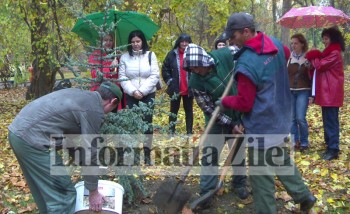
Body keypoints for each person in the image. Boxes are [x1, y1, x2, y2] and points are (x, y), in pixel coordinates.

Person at [218, 12, 316, 213]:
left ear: (246, 32)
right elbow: (287, 55)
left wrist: (224, 101)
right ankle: (304, 195)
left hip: (262, 126)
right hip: (281, 118)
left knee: (261, 178)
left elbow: (245, 103)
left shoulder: (246, 63)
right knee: (280, 159)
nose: (231, 40)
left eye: (233, 36)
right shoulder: (276, 43)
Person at [8, 82, 123, 213]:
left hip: (17, 133)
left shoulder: (80, 96)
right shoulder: (94, 110)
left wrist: (82, 163)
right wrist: (93, 191)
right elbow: (90, 150)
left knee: (44, 192)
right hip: (33, 141)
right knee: (63, 194)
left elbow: (69, 139)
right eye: (111, 110)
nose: (107, 114)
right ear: (112, 101)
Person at [183, 44, 249, 209]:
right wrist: (230, 123)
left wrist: (240, 120)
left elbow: (246, 55)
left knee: (238, 151)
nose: (196, 71)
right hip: (217, 119)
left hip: (240, 112)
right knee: (210, 155)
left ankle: (239, 183)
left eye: (197, 67)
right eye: (192, 69)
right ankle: (207, 191)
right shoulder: (195, 81)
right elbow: (209, 109)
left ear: (205, 61)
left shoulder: (227, 54)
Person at [118, 30, 160, 165]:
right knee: (132, 124)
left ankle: (147, 155)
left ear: (142, 41)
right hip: (131, 95)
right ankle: (133, 155)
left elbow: (155, 75)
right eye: (133, 42)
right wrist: (133, 91)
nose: (135, 44)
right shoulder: (124, 57)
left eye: (138, 41)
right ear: (130, 43)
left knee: (147, 124)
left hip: (148, 94)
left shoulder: (150, 55)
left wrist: (142, 91)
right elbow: (122, 77)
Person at [305, 27, 345, 161]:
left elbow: (321, 65)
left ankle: (333, 149)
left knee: (331, 121)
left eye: (326, 38)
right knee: (327, 119)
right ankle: (329, 145)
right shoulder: (328, 53)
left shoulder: (334, 53)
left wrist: (314, 55)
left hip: (331, 92)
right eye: (323, 38)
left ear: (332, 39)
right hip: (327, 92)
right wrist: (316, 56)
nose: (324, 41)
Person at [161, 33, 194, 135]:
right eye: (182, 41)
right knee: (173, 110)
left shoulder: (192, 54)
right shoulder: (172, 54)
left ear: (189, 43)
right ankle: (171, 131)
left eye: (186, 42)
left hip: (189, 87)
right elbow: (165, 68)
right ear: (179, 42)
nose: (184, 44)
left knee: (189, 110)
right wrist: (170, 81)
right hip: (175, 88)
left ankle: (189, 131)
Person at [287, 33, 312, 152]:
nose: (293, 45)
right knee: (292, 119)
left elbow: (313, 77)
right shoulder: (288, 58)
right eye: (292, 43)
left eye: (296, 43)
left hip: (303, 91)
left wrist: (312, 95)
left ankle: (304, 142)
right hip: (290, 91)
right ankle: (294, 141)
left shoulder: (308, 57)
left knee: (300, 118)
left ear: (302, 44)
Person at [89, 33, 126, 110]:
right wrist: (110, 68)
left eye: (110, 40)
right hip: (101, 91)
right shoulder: (95, 55)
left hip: (115, 91)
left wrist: (122, 58)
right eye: (105, 40)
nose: (108, 43)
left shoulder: (116, 55)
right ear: (101, 41)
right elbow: (95, 74)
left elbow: (123, 73)